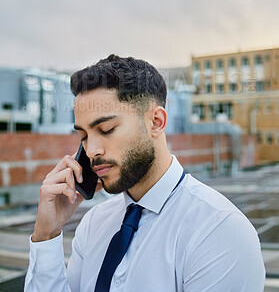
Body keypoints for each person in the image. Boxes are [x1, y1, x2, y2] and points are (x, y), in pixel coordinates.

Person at [24, 54, 265, 292]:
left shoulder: (220, 231)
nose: (92, 151)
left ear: (156, 122)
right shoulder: (93, 224)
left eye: (106, 129)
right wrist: (47, 234)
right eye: (84, 137)